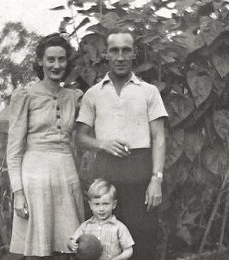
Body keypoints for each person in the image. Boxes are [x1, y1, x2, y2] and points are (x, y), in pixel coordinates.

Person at [75, 28, 168, 260]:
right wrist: (102, 144)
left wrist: (156, 179)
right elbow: (80, 136)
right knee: (105, 240)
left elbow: (159, 137)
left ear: (134, 53)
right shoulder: (93, 94)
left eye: (126, 50)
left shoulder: (149, 92)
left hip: (140, 170)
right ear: (106, 54)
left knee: (142, 238)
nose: (120, 57)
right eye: (114, 51)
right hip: (106, 172)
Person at [7, 33, 84, 260]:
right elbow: (13, 151)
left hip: (66, 174)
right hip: (35, 177)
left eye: (61, 59)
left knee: (69, 247)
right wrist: (18, 194)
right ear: (40, 61)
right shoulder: (26, 95)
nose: (56, 65)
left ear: (67, 62)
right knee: (37, 249)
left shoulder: (73, 97)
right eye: (50, 59)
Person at [69, 179, 134, 260]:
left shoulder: (119, 227)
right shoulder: (85, 226)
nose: (101, 209)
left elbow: (129, 250)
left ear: (114, 205)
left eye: (105, 204)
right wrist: (72, 245)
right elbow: (72, 240)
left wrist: (118, 259)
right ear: (90, 205)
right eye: (96, 204)